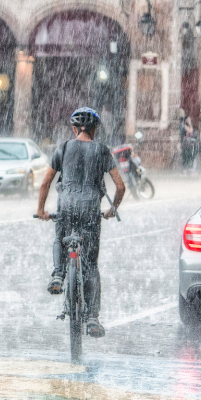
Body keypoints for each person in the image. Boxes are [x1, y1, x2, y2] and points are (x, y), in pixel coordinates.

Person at [35, 107, 126, 338]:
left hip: (66, 206)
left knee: (60, 237)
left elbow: (45, 183)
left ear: (74, 129)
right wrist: (112, 209)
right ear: (94, 130)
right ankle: (93, 318)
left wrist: (41, 210)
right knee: (90, 265)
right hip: (90, 210)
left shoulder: (63, 148)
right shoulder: (102, 151)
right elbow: (120, 186)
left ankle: (57, 274)